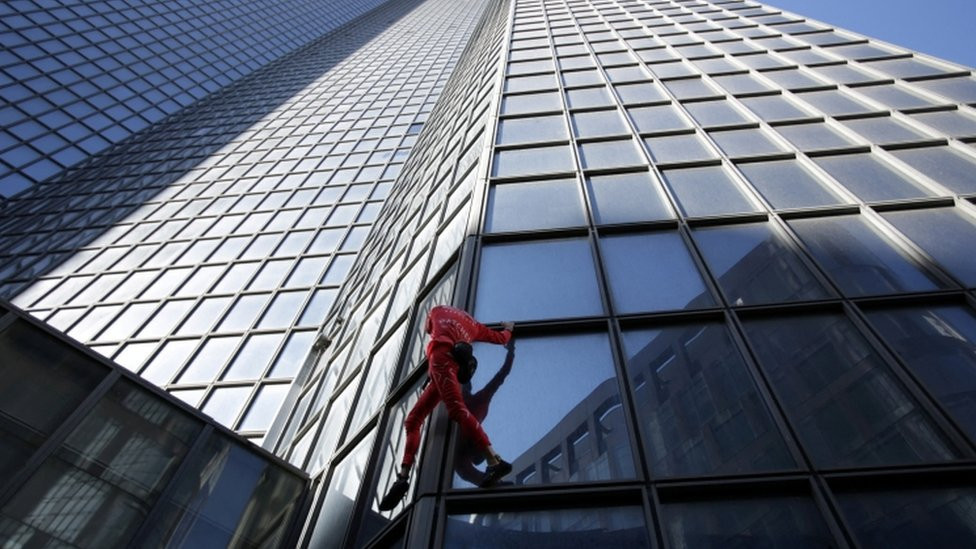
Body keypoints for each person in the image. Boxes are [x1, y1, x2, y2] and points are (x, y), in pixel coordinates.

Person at [378, 305, 514, 511]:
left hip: (440, 362)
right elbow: (501, 339)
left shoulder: (437, 309)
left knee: (444, 413)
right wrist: (509, 329)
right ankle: (402, 479)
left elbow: (427, 330)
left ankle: (495, 461)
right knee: (415, 419)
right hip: (445, 366)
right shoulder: (474, 326)